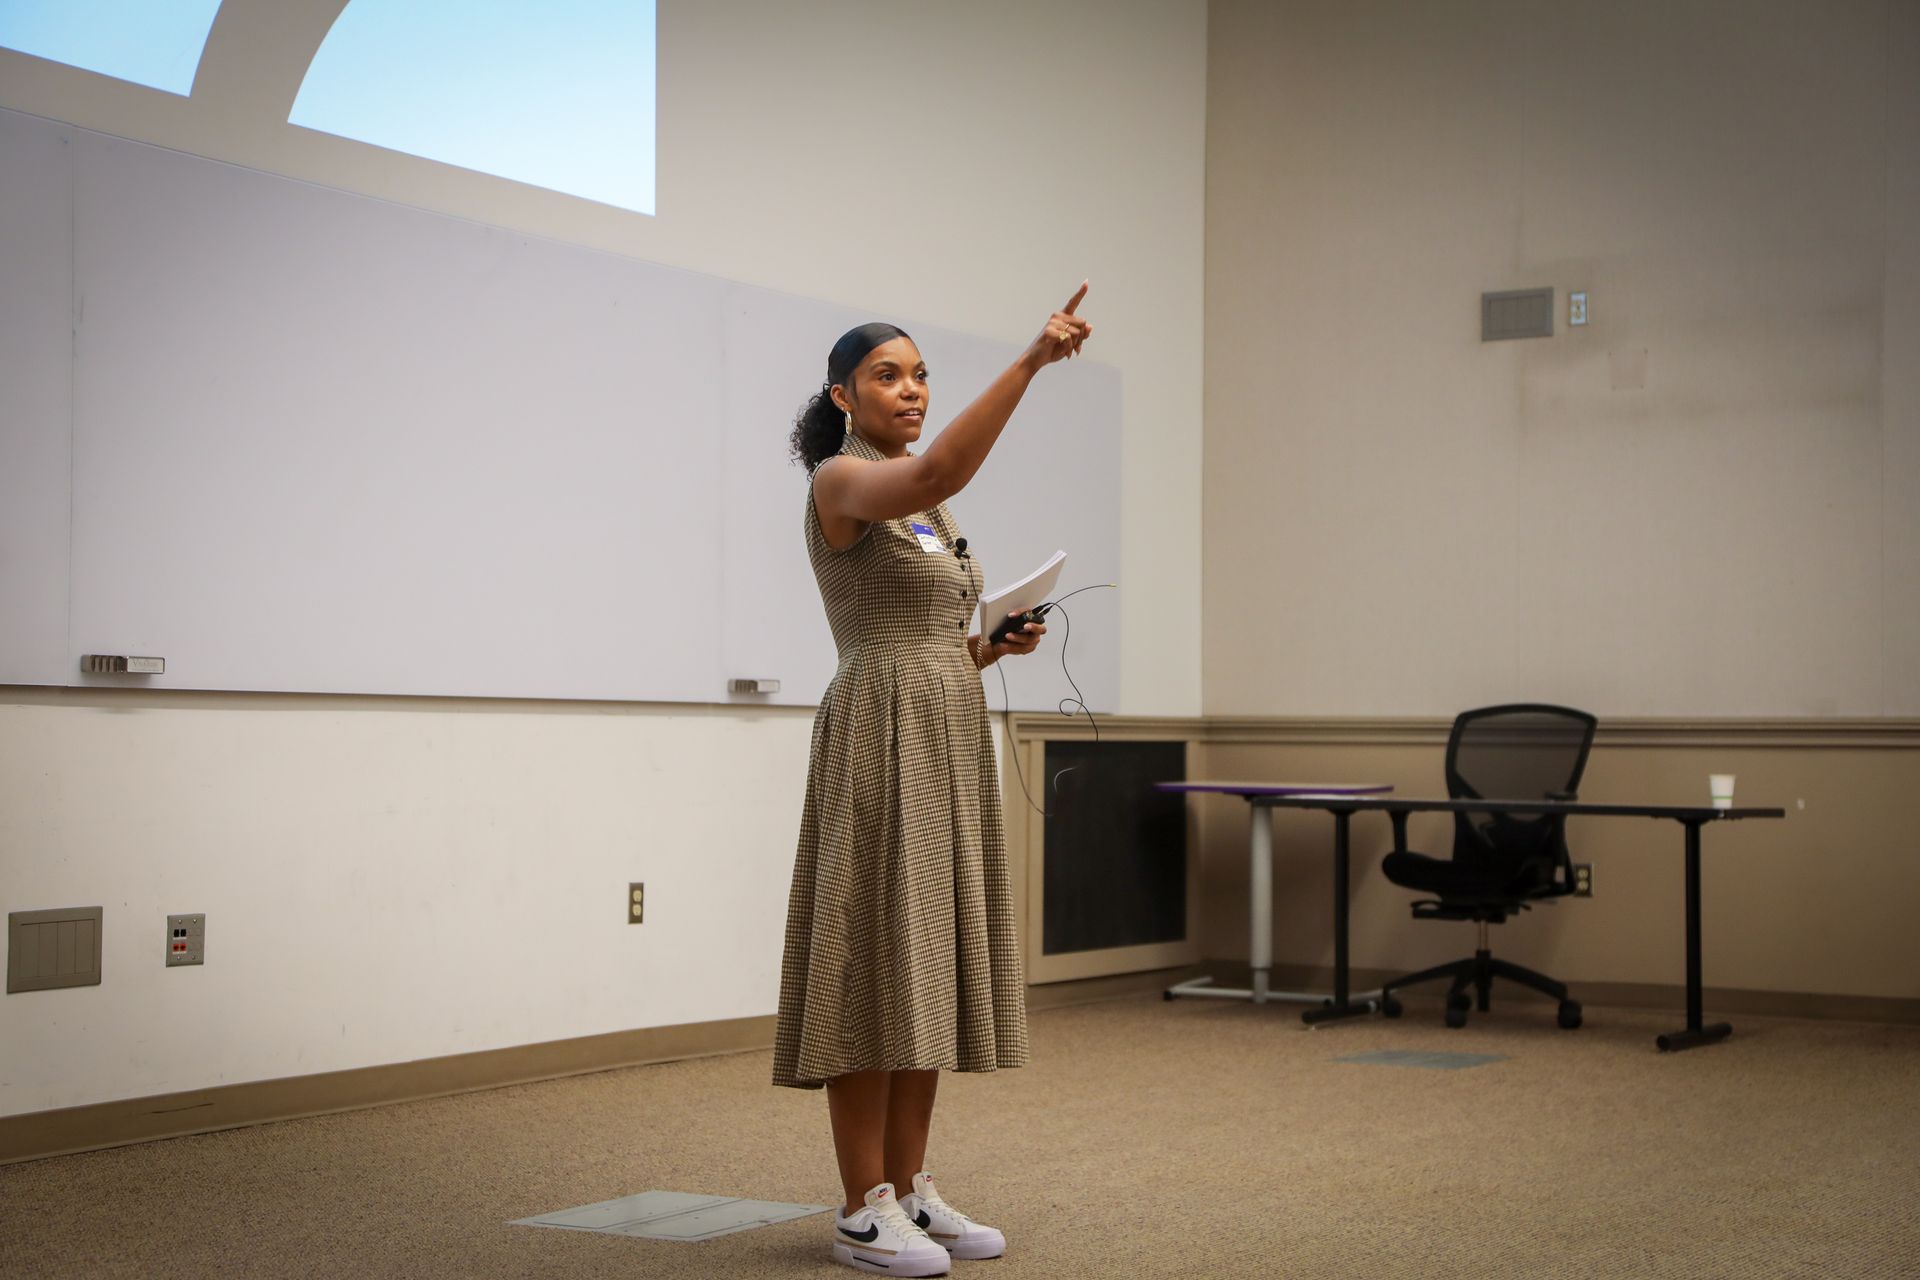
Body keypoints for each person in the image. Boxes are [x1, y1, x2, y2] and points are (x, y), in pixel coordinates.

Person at [772, 285, 1094, 1276]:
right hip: (877, 733)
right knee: (873, 958)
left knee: (924, 959)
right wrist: (1032, 360)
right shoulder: (841, 479)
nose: (910, 389)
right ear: (843, 395)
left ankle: (909, 1187)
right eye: (888, 375)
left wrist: (991, 647)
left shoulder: (926, 502)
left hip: (944, 726)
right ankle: (860, 1206)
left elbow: (932, 639)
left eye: (919, 375)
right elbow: (937, 467)